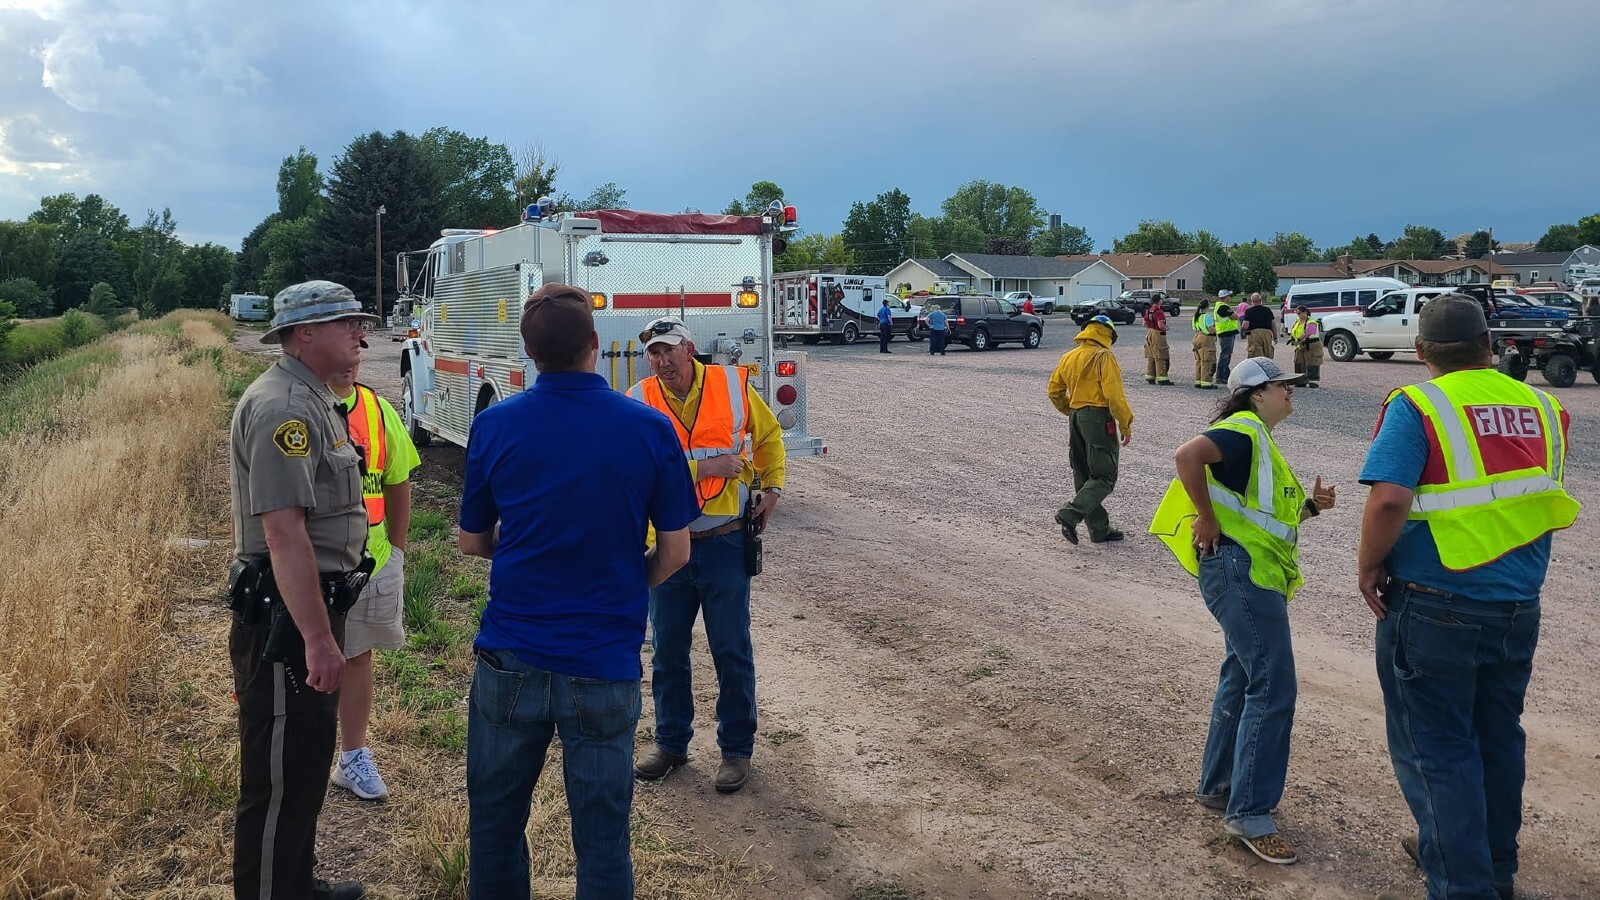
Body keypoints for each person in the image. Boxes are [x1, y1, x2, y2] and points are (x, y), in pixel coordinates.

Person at [459, 285, 695, 900]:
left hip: (510, 656)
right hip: (603, 661)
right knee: (603, 838)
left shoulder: (494, 424)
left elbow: (472, 541)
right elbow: (675, 552)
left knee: (494, 826)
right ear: (596, 345)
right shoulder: (650, 428)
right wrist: (624, 585)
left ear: (528, 352)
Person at [1359, 295, 1579, 900]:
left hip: (1436, 603)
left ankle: (1462, 884)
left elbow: (1388, 500)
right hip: (1517, 604)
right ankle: (1494, 868)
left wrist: (1369, 565)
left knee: (1438, 749)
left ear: (1423, 352)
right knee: (1497, 736)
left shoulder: (1418, 404)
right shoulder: (1545, 406)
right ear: (1491, 344)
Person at [1150, 357, 1336, 868]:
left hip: (1249, 571)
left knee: (1242, 674)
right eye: (1283, 386)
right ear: (1257, 393)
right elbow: (1187, 455)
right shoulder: (1242, 430)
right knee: (1273, 684)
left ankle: (1220, 787)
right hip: (1239, 569)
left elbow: (1265, 515)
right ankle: (1250, 813)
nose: (1291, 392)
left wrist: (1313, 507)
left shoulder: (1259, 442)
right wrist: (1205, 519)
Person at [228, 280, 378, 900]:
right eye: (347, 324)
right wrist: (317, 639)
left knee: (307, 759)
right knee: (279, 774)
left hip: (310, 606)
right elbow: (285, 535)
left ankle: (293, 883)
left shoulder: (316, 399)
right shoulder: (284, 408)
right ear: (305, 333)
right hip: (288, 618)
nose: (361, 334)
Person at [629, 315, 787, 794]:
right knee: (668, 653)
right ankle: (672, 743)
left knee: (731, 651)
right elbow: (637, 471)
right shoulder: (639, 400)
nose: (661, 360)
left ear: (689, 347)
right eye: (653, 352)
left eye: (668, 350)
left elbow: (769, 437)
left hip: (724, 542)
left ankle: (736, 750)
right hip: (669, 549)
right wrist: (706, 466)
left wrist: (772, 488)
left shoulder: (731, 387)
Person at [326, 360, 421, 801]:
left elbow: (398, 483)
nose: (351, 364)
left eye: (356, 356)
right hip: (313, 566)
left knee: (357, 656)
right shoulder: (297, 407)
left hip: (371, 562)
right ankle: (304, 755)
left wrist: (396, 553)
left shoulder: (377, 409)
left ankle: (352, 756)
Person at [1047, 315, 1133, 545]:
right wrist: (1125, 423)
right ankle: (1070, 514)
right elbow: (1113, 395)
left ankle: (1098, 529)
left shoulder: (1069, 356)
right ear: (1108, 334)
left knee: (1083, 473)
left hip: (1075, 417)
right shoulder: (1103, 356)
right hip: (1097, 418)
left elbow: (1054, 391)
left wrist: (1071, 411)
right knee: (1104, 475)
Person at [1288, 305, 1324, 389]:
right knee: (1299, 362)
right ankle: (1300, 381)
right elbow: (1295, 330)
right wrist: (1292, 338)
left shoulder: (1311, 321)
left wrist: (1299, 338)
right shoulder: (1298, 321)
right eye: (1297, 313)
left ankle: (1313, 382)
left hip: (1312, 345)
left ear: (1305, 312)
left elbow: (1309, 332)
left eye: (1299, 313)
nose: (1298, 315)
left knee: (1312, 363)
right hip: (1301, 345)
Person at [1142, 293, 1173, 385]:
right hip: (1158, 334)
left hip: (1150, 333)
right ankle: (1162, 378)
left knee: (1151, 355)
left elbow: (1144, 324)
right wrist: (1166, 328)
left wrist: (1151, 327)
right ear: (1159, 301)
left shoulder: (1148, 311)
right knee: (1161, 356)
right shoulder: (1159, 312)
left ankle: (1150, 376)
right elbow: (1160, 324)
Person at [1192, 298, 1218, 389]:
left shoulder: (1196, 316)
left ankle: (1198, 380)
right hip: (1206, 338)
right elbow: (1211, 329)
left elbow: (1194, 328)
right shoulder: (1207, 316)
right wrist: (1216, 331)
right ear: (1207, 306)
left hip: (1197, 336)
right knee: (1207, 360)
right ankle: (1206, 382)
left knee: (1199, 360)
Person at [1242, 292, 1277, 360]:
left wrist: (1244, 331)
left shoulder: (1249, 311)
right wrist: (1275, 337)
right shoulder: (1267, 310)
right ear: (1261, 300)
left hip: (1254, 334)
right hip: (1267, 333)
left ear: (1251, 301)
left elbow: (1245, 325)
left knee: (1256, 355)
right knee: (1268, 354)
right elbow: (1273, 324)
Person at [1214, 291, 1240, 383]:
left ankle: (1225, 374)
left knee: (1227, 354)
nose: (1230, 297)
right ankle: (1220, 376)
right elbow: (1234, 317)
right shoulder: (1223, 307)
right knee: (1225, 355)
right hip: (1226, 332)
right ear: (1225, 297)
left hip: (1225, 332)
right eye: (1229, 296)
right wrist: (1237, 314)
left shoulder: (1219, 306)